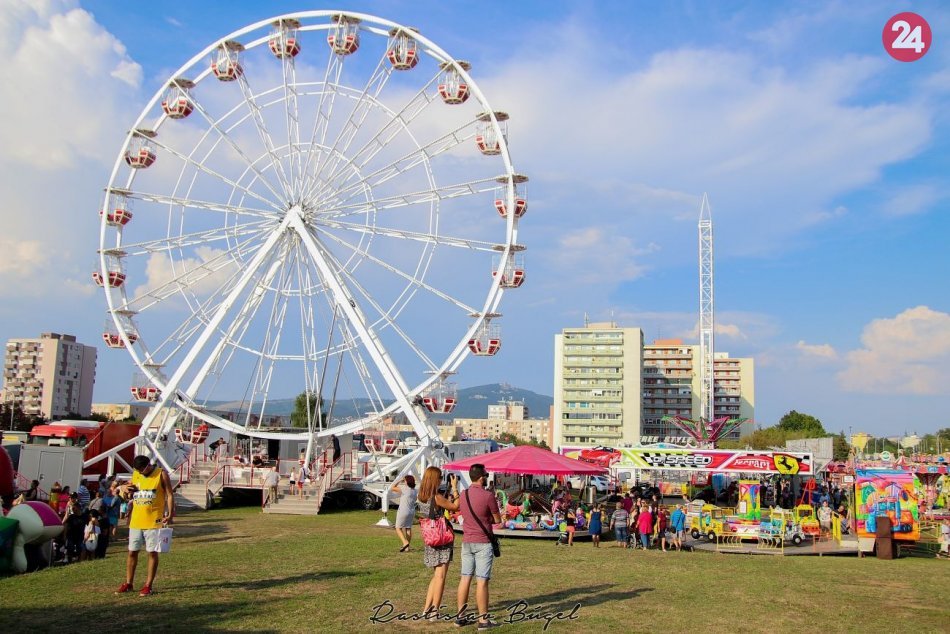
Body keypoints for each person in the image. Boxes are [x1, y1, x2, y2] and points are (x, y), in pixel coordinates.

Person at [115, 455, 175, 597]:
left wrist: (170, 513)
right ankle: (129, 583)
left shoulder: (161, 474)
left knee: (152, 552)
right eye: (138, 471)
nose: (141, 472)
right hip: (136, 520)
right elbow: (130, 492)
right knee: (132, 552)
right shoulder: (136, 474)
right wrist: (126, 490)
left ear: (148, 465)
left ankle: (148, 585)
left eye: (143, 470)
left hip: (153, 520)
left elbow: (169, 495)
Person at [456, 464, 501, 630]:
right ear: (482, 477)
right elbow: (498, 520)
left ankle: (460, 617)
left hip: (467, 541)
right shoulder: (488, 496)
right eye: (486, 475)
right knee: (482, 581)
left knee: (465, 578)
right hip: (483, 542)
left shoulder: (463, 494)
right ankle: (483, 620)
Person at [418, 467, 460, 620]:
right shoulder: (436, 497)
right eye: (440, 477)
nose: (442, 480)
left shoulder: (421, 496)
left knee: (436, 576)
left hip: (430, 538)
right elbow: (456, 506)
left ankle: (426, 609)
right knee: (441, 576)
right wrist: (455, 488)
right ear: (435, 479)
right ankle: (435, 611)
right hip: (441, 538)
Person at [393, 475, 418, 552]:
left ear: (407, 482)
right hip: (411, 511)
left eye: (405, 481)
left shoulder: (404, 489)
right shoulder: (415, 491)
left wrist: (399, 480)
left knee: (398, 528)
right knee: (408, 528)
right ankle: (407, 547)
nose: (404, 482)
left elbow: (393, 487)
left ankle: (405, 542)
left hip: (403, 511)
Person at [62, 498, 85, 563]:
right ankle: (70, 560)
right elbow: (66, 526)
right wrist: (64, 535)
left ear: (78, 508)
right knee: (70, 548)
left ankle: (79, 560)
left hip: (80, 536)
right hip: (71, 536)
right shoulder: (71, 517)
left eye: (74, 508)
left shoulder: (84, 516)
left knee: (79, 548)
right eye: (72, 508)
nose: (72, 510)